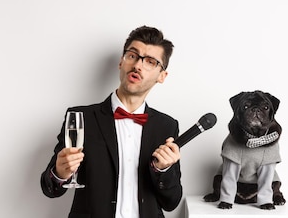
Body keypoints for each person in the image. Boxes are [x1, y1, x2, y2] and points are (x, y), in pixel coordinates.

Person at [40, 25, 183, 218]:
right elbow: (50, 189)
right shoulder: (81, 118)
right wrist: (59, 172)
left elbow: (171, 202)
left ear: (162, 76)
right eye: (132, 55)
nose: (138, 65)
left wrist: (163, 170)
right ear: (121, 62)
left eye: (150, 61)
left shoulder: (167, 126)